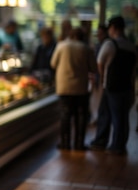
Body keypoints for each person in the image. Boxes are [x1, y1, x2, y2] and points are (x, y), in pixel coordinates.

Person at [90, 16, 137, 155]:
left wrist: (103, 78)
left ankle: (106, 143)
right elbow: (134, 69)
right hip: (127, 87)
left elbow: (100, 63)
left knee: (109, 115)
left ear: (114, 28)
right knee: (123, 117)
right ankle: (120, 144)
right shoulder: (131, 46)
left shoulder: (110, 44)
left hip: (111, 87)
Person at [50, 27, 97, 150]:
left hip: (64, 87)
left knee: (65, 115)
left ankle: (65, 143)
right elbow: (93, 68)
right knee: (80, 116)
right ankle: (79, 143)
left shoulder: (61, 46)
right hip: (81, 88)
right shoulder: (86, 48)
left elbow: (53, 64)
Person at [89, 23, 109, 124]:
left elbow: (99, 62)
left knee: (100, 100)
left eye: (100, 33)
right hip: (97, 76)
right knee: (95, 99)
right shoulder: (99, 45)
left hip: (102, 77)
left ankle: (98, 118)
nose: (99, 36)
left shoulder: (107, 45)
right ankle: (96, 117)